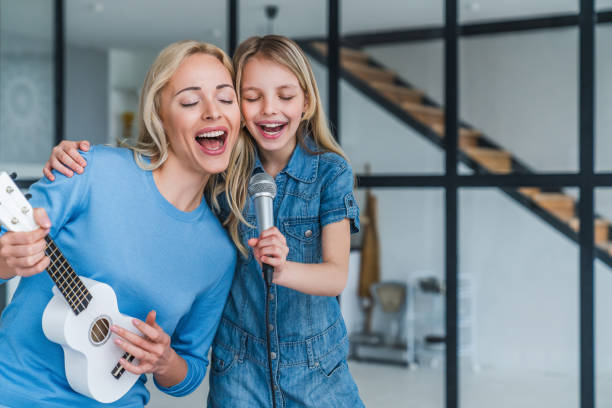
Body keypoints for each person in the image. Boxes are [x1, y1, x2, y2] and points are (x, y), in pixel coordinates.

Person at [40, 35, 364, 408]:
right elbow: (164, 181)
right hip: (240, 368)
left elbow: (337, 275)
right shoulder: (222, 175)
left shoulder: (329, 172)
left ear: (307, 102)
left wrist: (282, 268)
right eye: (252, 97)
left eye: (286, 96)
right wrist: (75, 160)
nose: (269, 109)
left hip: (316, 368)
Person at [0, 40, 247, 408]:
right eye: (191, 101)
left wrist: (165, 361)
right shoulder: (89, 169)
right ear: (159, 115)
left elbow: (190, 369)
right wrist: (8, 259)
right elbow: (8, 242)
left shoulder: (219, 253)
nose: (213, 112)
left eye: (226, 99)